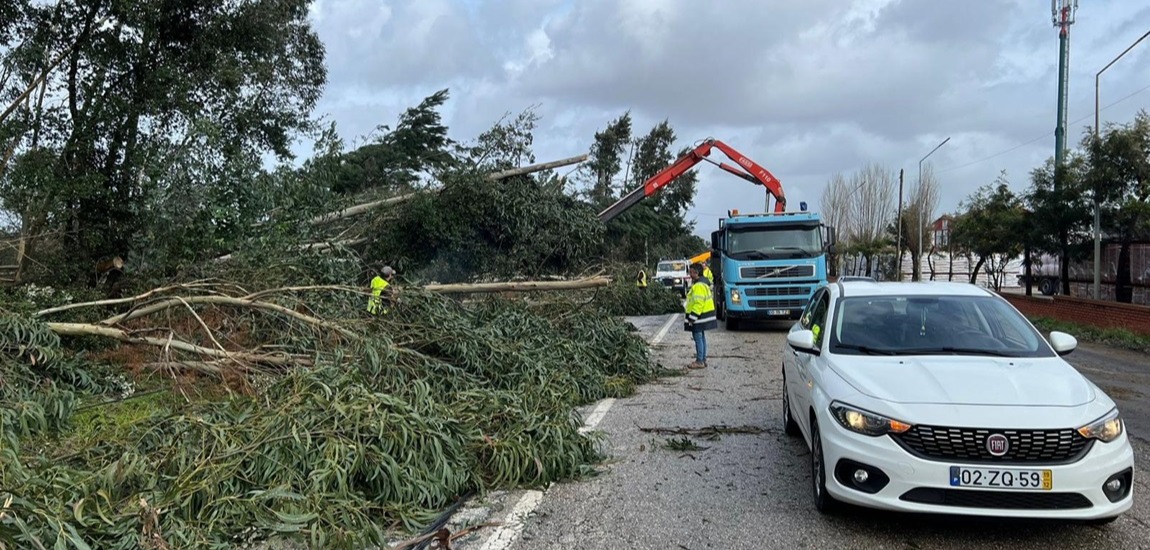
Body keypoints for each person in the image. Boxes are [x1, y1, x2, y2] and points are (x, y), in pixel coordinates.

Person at [683, 263, 717, 369]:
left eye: (691, 272)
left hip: (699, 317)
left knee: (698, 337)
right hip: (703, 316)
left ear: (696, 273)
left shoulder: (698, 286)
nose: (690, 274)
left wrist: (692, 317)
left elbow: (698, 303)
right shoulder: (703, 284)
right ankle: (703, 359)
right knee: (701, 338)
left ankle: (700, 361)